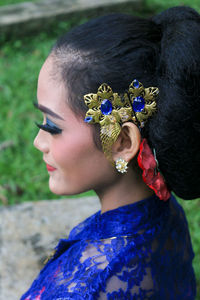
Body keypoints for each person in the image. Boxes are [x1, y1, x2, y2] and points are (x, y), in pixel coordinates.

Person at [21, 6, 200, 299]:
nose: (38, 142)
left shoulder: (85, 288)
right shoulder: (165, 214)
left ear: (122, 142)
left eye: (52, 127)